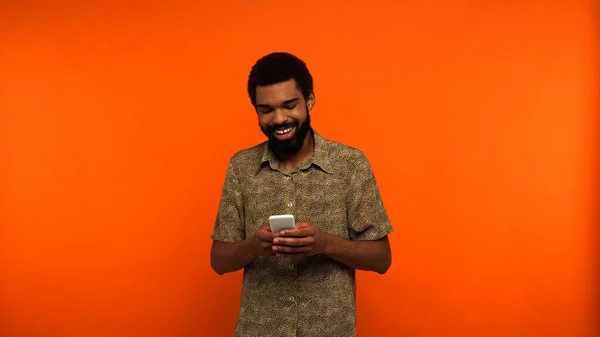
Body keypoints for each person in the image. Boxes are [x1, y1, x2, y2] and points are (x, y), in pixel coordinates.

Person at [210, 52, 394, 337]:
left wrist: (324, 243)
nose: (279, 118)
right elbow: (219, 261)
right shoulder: (241, 167)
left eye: (289, 105)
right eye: (266, 109)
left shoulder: (351, 164)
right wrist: (254, 246)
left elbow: (382, 258)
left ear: (309, 100)